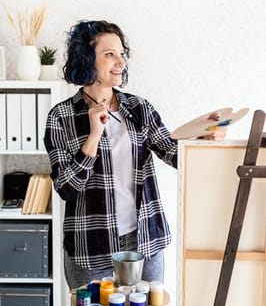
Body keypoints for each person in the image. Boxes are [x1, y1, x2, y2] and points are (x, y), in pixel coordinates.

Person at [44, 20, 227, 290]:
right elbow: (67, 188)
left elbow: (174, 153)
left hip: (145, 241)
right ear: (86, 58)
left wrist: (203, 138)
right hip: (90, 246)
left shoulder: (139, 108)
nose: (120, 62)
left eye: (122, 54)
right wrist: (93, 136)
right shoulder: (61, 117)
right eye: (109, 54)